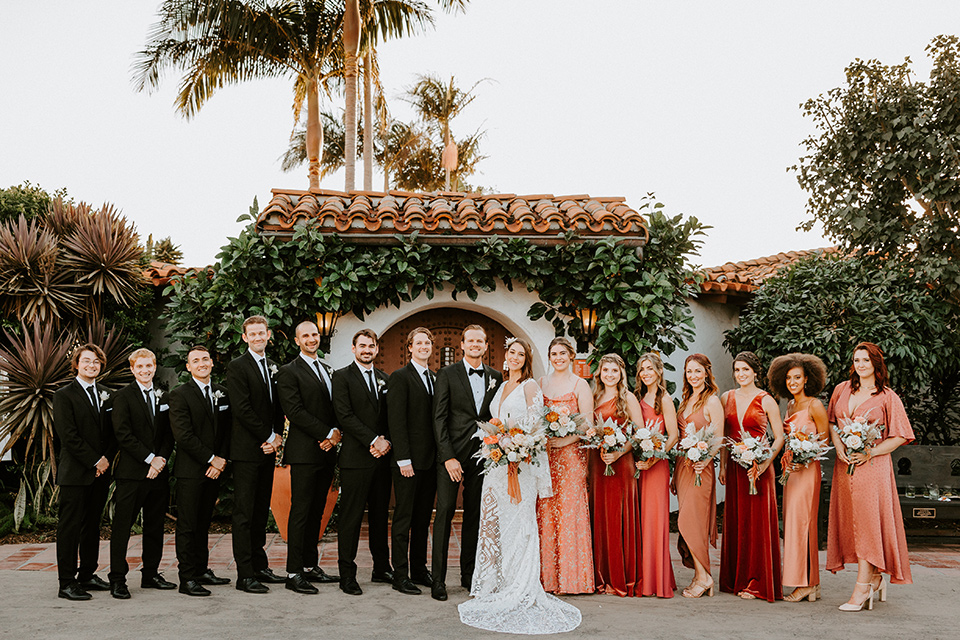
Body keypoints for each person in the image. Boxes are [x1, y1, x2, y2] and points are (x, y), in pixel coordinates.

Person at [458, 338, 580, 634]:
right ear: (506, 356)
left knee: (519, 521)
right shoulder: (499, 386)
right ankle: (493, 582)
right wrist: (496, 441)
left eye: (520, 354)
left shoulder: (530, 387)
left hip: (520, 465)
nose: (515, 357)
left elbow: (535, 426)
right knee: (495, 524)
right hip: (498, 464)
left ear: (527, 359)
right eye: (511, 352)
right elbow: (494, 421)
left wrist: (516, 445)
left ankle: (519, 584)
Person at [827, 342, 913, 612]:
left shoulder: (888, 397)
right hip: (845, 467)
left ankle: (862, 587)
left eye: (865, 360)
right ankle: (875, 577)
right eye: (857, 360)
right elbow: (832, 422)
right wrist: (839, 446)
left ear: (876, 364)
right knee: (850, 522)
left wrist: (870, 452)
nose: (860, 364)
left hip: (872, 468)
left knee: (867, 523)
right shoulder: (841, 389)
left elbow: (900, 435)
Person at [431, 324, 503, 601]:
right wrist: (448, 456)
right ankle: (438, 580)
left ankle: (469, 575)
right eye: (470, 340)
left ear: (485, 346)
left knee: (475, 514)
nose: (475, 344)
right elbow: (438, 417)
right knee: (445, 512)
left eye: (480, 341)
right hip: (453, 454)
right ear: (462, 344)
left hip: (483, 455)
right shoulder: (447, 374)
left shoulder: (496, 376)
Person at [276, 320, 341, 595]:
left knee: (317, 510)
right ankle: (293, 572)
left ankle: (310, 565)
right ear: (297, 341)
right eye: (306, 335)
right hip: (304, 452)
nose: (312, 339)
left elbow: (335, 406)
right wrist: (327, 432)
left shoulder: (328, 369)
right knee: (300, 511)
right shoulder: (288, 372)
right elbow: (295, 410)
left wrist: (336, 434)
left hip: (327, 451)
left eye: (314, 334)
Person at [108, 348, 176, 598]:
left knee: (155, 527)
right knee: (122, 528)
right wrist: (150, 459)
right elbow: (123, 434)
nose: (145, 370)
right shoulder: (122, 397)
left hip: (157, 475)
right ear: (132, 369)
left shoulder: (164, 396)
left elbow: (169, 434)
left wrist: (161, 461)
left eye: (149, 366)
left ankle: (150, 574)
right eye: (140, 367)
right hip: (132, 474)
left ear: (155, 367)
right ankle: (117, 579)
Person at [226, 315, 286, 593]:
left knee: (261, 511)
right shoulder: (237, 367)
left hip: (267, 449)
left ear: (269, 335)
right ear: (245, 337)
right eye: (253, 334)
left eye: (262, 333)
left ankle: (260, 566)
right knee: (244, 513)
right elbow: (242, 408)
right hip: (247, 451)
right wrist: (268, 436)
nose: (258, 337)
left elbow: (277, 408)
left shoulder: (274, 367)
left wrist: (275, 439)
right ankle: (244, 574)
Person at [718, 351, 784, 602]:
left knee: (757, 524)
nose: (741, 374)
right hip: (736, 468)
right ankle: (736, 578)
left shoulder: (766, 400)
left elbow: (779, 437)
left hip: (759, 468)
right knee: (737, 521)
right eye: (737, 370)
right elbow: (725, 436)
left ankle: (757, 581)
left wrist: (766, 461)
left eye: (745, 370)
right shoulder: (727, 397)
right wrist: (723, 466)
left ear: (755, 372)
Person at [332, 329, 394, 596]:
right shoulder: (342, 377)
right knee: (351, 518)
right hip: (356, 459)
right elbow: (344, 415)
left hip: (382, 460)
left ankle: (381, 567)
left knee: (380, 517)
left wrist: (387, 441)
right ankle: (347, 574)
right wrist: (373, 440)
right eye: (363, 346)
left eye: (371, 346)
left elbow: (393, 416)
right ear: (354, 348)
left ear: (377, 349)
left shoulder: (385, 379)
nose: (367, 350)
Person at [169, 345, 232, 596]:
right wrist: (211, 459)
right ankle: (187, 579)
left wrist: (222, 460)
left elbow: (228, 431)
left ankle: (202, 569)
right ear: (188, 367)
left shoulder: (222, 393)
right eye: (196, 361)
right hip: (191, 471)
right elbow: (183, 435)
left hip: (215, 470)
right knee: (187, 525)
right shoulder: (179, 395)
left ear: (212, 363)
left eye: (205, 359)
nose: (202, 363)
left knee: (204, 522)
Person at [53, 343, 114, 600]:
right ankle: (66, 582)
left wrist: (105, 461)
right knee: (70, 527)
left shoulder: (108, 394)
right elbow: (68, 436)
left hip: (101, 472)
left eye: (96, 362)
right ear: (77, 364)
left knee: (92, 525)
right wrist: (94, 461)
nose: (92, 365)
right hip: (75, 474)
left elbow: (113, 433)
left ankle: (87, 574)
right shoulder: (64, 395)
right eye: (87, 361)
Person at [767, 352, 829, 603]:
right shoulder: (790, 405)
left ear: (807, 380)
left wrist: (806, 454)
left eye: (798, 378)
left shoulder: (814, 404)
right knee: (792, 524)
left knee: (803, 524)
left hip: (808, 471)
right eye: (789, 378)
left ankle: (807, 583)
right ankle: (810, 584)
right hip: (791, 472)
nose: (793, 382)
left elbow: (823, 441)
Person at [535, 337, 595, 595]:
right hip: (546, 457)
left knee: (570, 513)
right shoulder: (540, 383)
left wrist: (563, 441)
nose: (558, 358)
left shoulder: (580, 385)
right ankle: (546, 579)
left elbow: (587, 425)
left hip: (571, 457)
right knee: (546, 511)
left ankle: (573, 580)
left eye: (562, 353)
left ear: (571, 355)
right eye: (553, 354)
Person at [386, 327, 438, 595]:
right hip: (407, 462)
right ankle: (400, 574)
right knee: (403, 519)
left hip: (430, 462)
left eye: (427, 342)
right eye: (418, 343)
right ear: (410, 347)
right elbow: (396, 421)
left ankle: (419, 568)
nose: (423, 346)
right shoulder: (400, 377)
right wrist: (403, 458)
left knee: (422, 519)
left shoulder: (434, 377)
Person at [590, 353, 644, 596]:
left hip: (621, 464)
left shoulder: (628, 398)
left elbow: (640, 433)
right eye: (605, 370)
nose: (609, 375)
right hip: (598, 464)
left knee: (618, 517)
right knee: (599, 516)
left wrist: (620, 452)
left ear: (621, 373)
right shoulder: (593, 397)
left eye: (614, 370)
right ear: (599, 373)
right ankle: (600, 576)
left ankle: (620, 577)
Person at [673, 353, 723, 598]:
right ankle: (699, 575)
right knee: (686, 520)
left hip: (701, 468)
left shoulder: (712, 401)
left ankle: (705, 577)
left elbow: (718, 438)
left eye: (697, 371)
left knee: (692, 521)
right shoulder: (686, 399)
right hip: (683, 465)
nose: (693, 376)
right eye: (689, 371)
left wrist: (705, 460)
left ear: (706, 372)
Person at [634, 352, 679, 598]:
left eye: (650, 368)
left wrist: (655, 457)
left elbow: (673, 435)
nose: (646, 373)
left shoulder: (665, 399)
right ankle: (649, 576)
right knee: (644, 521)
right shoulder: (640, 399)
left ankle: (658, 581)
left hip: (657, 466)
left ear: (659, 371)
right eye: (642, 369)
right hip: (642, 466)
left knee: (656, 521)